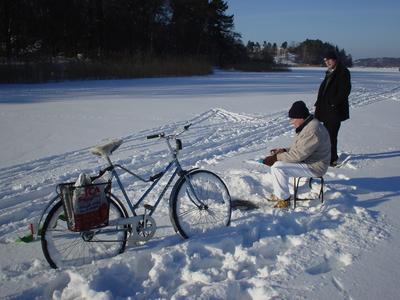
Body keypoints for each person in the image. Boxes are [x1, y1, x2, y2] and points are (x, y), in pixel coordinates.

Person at [262, 101, 331, 208]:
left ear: (301, 117)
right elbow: (302, 148)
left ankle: (284, 199)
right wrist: (284, 150)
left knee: (278, 168)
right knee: (278, 165)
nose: (291, 122)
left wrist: (276, 158)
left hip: (315, 166)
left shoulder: (312, 130)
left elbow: (298, 155)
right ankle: (280, 194)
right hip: (308, 161)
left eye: (293, 119)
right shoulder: (308, 125)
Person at [314, 50, 351, 166]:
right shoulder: (330, 72)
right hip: (326, 109)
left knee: (331, 136)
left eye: (329, 59)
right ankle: (327, 156)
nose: (327, 62)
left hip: (334, 111)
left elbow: (345, 91)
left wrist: (333, 103)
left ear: (335, 59)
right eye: (325, 60)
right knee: (326, 135)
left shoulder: (343, 72)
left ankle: (332, 159)